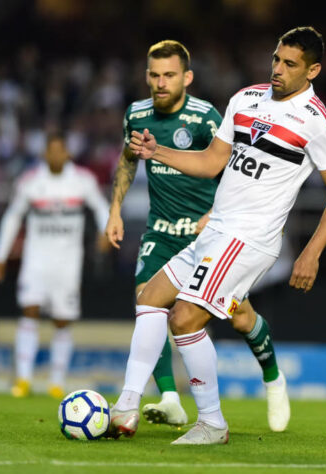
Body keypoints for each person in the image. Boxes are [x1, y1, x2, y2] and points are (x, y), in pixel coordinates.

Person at [111, 26, 326, 445]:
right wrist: (157, 152)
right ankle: (127, 404)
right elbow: (210, 162)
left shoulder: (318, 122)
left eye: (290, 64)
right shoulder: (245, 99)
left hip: (250, 237)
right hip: (217, 229)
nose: (277, 69)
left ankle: (212, 423)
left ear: (313, 70)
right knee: (150, 297)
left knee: (184, 318)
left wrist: (312, 252)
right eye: (276, 58)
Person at [106, 40, 290, 429]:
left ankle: (273, 377)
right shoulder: (136, 115)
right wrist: (114, 211)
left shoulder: (206, 117)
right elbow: (126, 160)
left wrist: (212, 213)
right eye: (154, 75)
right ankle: (166, 399)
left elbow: (232, 166)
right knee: (148, 302)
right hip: (161, 231)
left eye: (169, 75)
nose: (160, 83)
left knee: (240, 319)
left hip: (207, 236)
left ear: (186, 78)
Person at [0, 132, 110, 399]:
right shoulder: (31, 181)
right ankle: (23, 379)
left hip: (68, 263)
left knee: (62, 319)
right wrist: (0, 255)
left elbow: (102, 208)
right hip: (36, 261)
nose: (56, 155)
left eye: (60, 151)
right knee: (30, 310)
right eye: (51, 151)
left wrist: (105, 231)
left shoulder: (82, 180)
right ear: (45, 154)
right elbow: (13, 217)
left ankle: (56, 382)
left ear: (67, 153)